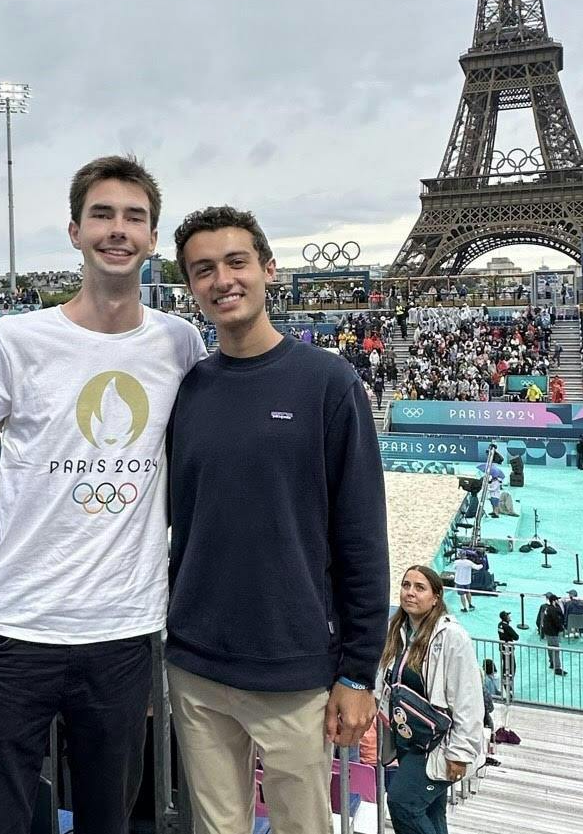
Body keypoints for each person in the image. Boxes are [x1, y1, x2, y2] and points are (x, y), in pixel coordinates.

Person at [0, 157, 206, 834]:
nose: (119, 229)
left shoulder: (180, 343)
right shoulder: (18, 338)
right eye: (103, 214)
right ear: (74, 229)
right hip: (12, 627)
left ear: (151, 238)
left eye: (134, 217)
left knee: (108, 822)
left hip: (120, 632)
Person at [164, 206, 388, 834]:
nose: (221, 280)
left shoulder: (329, 383)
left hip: (293, 670)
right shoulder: (189, 390)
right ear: (191, 288)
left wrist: (356, 670)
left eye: (235, 262)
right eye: (203, 270)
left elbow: (363, 538)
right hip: (197, 665)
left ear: (268, 270)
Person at [375, 566, 486, 834]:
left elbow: (468, 697)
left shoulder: (451, 637)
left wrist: (460, 752)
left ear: (436, 597)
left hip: (438, 743)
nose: (410, 593)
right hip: (408, 738)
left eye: (419, 587)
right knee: (432, 811)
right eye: (406, 585)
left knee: (402, 803)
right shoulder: (397, 630)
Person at [538, 593, 567, 674]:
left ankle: (552, 662)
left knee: (550, 647)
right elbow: (557, 621)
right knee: (556, 649)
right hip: (552, 632)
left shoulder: (548, 608)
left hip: (547, 631)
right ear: (554, 601)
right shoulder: (553, 610)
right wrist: (561, 629)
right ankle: (557, 668)